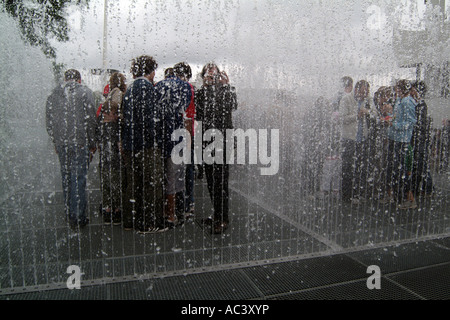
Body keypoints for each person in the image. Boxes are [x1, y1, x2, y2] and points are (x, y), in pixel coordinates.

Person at [46, 69, 97, 229]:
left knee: (66, 178)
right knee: (78, 178)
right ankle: (79, 217)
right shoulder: (85, 92)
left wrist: (56, 140)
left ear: (65, 79)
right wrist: (92, 142)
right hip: (80, 142)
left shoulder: (53, 94)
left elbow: (49, 121)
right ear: (79, 80)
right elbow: (90, 119)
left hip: (62, 143)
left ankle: (70, 213)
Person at [121, 55, 165, 233]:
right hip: (146, 145)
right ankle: (151, 222)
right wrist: (156, 141)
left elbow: (125, 120)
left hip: (131, 144)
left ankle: (130, 220)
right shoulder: (147, 88)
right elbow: (150, 120)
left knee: (134, 183)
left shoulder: (130, 89)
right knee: (152, 183)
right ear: (152, 71)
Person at [195, 63, 238, 234]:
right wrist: (204, 88)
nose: (211, 76)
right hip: (207, 140)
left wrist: (226, 86)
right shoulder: (201, 93)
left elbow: (233, 106)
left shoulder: (227, 90)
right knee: (211, 181)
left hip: (222, 141)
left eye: (214, 73)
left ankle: (223, 218)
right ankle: (217, 214)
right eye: (208, 73)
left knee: (220, 181)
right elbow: (198, 113)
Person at [154, 63, 192, 228]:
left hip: (160, 138)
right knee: (175, 178)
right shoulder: (185, 86)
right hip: (177, 138)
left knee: (163, 178)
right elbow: (185, 111)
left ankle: (164, 211)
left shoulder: (158, 86)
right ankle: (173, 214)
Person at [382, 79, 417, 209]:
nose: (395, 91)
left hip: (402, 141)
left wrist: (393, 124)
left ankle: (408, 199)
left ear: (402, 89)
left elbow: (410, 122)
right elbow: (397, 117)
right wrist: (389, 116)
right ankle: (395, 195)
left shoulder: (408, 102)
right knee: (393, 169)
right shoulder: (400, 101)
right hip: (394, 138)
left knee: (401, 170)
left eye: (397, 89)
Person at [98, 72, 127, 225]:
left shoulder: (102, 123)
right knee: (116, 181)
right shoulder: (119, 95)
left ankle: (107, 209)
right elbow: (118, 141)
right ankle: (116, 211)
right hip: (114, 159)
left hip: (105, 159)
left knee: (106, 181)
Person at [173, 62, 196, 218]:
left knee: (180, 171)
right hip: (188, 133)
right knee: (187, 170)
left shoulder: (182, 88)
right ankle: (188, 203)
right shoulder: (190, 88)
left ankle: (181, 204)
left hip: (180, 134)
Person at [410, 81, 433, 197]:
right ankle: (425, 187)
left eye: (413, 89)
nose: (411, 91)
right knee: (420, 163)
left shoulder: (421, 104)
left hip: (420, 138)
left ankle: (427, 188)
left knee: (421, 164)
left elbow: (420, 123)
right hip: (418, 138)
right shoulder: (417, 103)